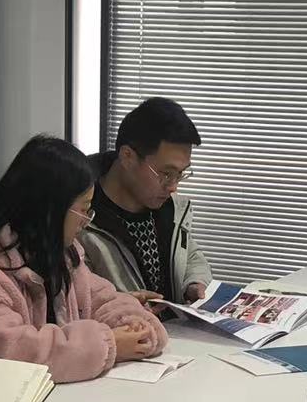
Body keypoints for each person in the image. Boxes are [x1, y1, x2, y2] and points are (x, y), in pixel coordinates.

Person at [0, 135, 168, 382]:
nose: (86, 221)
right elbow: (13, 353)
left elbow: (102, 299)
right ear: (50, 208)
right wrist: (109, 344)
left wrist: (135, 326)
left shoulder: (59, 255)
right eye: (84, 210)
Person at [82, 96, 213, 307]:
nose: (173, 186)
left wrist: (194, 283)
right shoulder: (82, 219)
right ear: (128, 156)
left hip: (175, 327)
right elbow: (79, 304)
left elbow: (189, 255)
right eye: (166, 173)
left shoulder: (168, 207)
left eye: (180, 174)